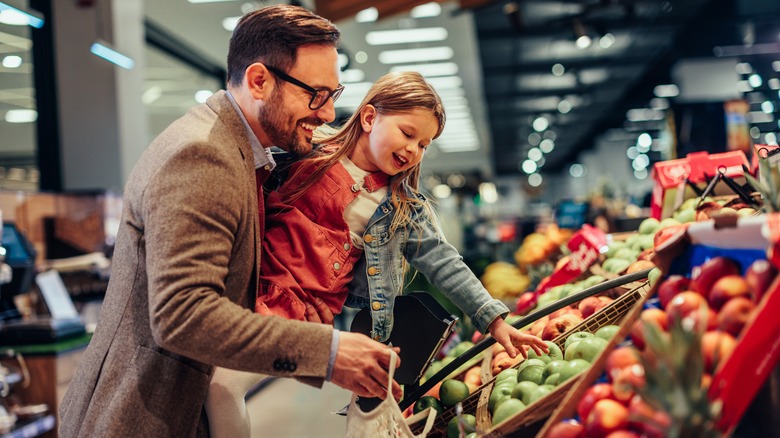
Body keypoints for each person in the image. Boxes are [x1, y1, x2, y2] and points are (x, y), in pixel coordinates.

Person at [59, 6, 401, 437]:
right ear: (259, 81)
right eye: (316, 94)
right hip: (142, 419)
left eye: (334, 94)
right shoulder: (203, 155)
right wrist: (328, 353)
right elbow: (182, 314)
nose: (329, 113)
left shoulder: (242, 152)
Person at [206, 71, 548, 437]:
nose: (413, 150)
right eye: (408, 133)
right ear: (369, 118)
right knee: (203, 381)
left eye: (424, 144)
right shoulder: (307, 154)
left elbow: (445, 263)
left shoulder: (402, 208)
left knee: (221, 387)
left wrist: (493, 320)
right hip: (242, 288)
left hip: (297, 316)